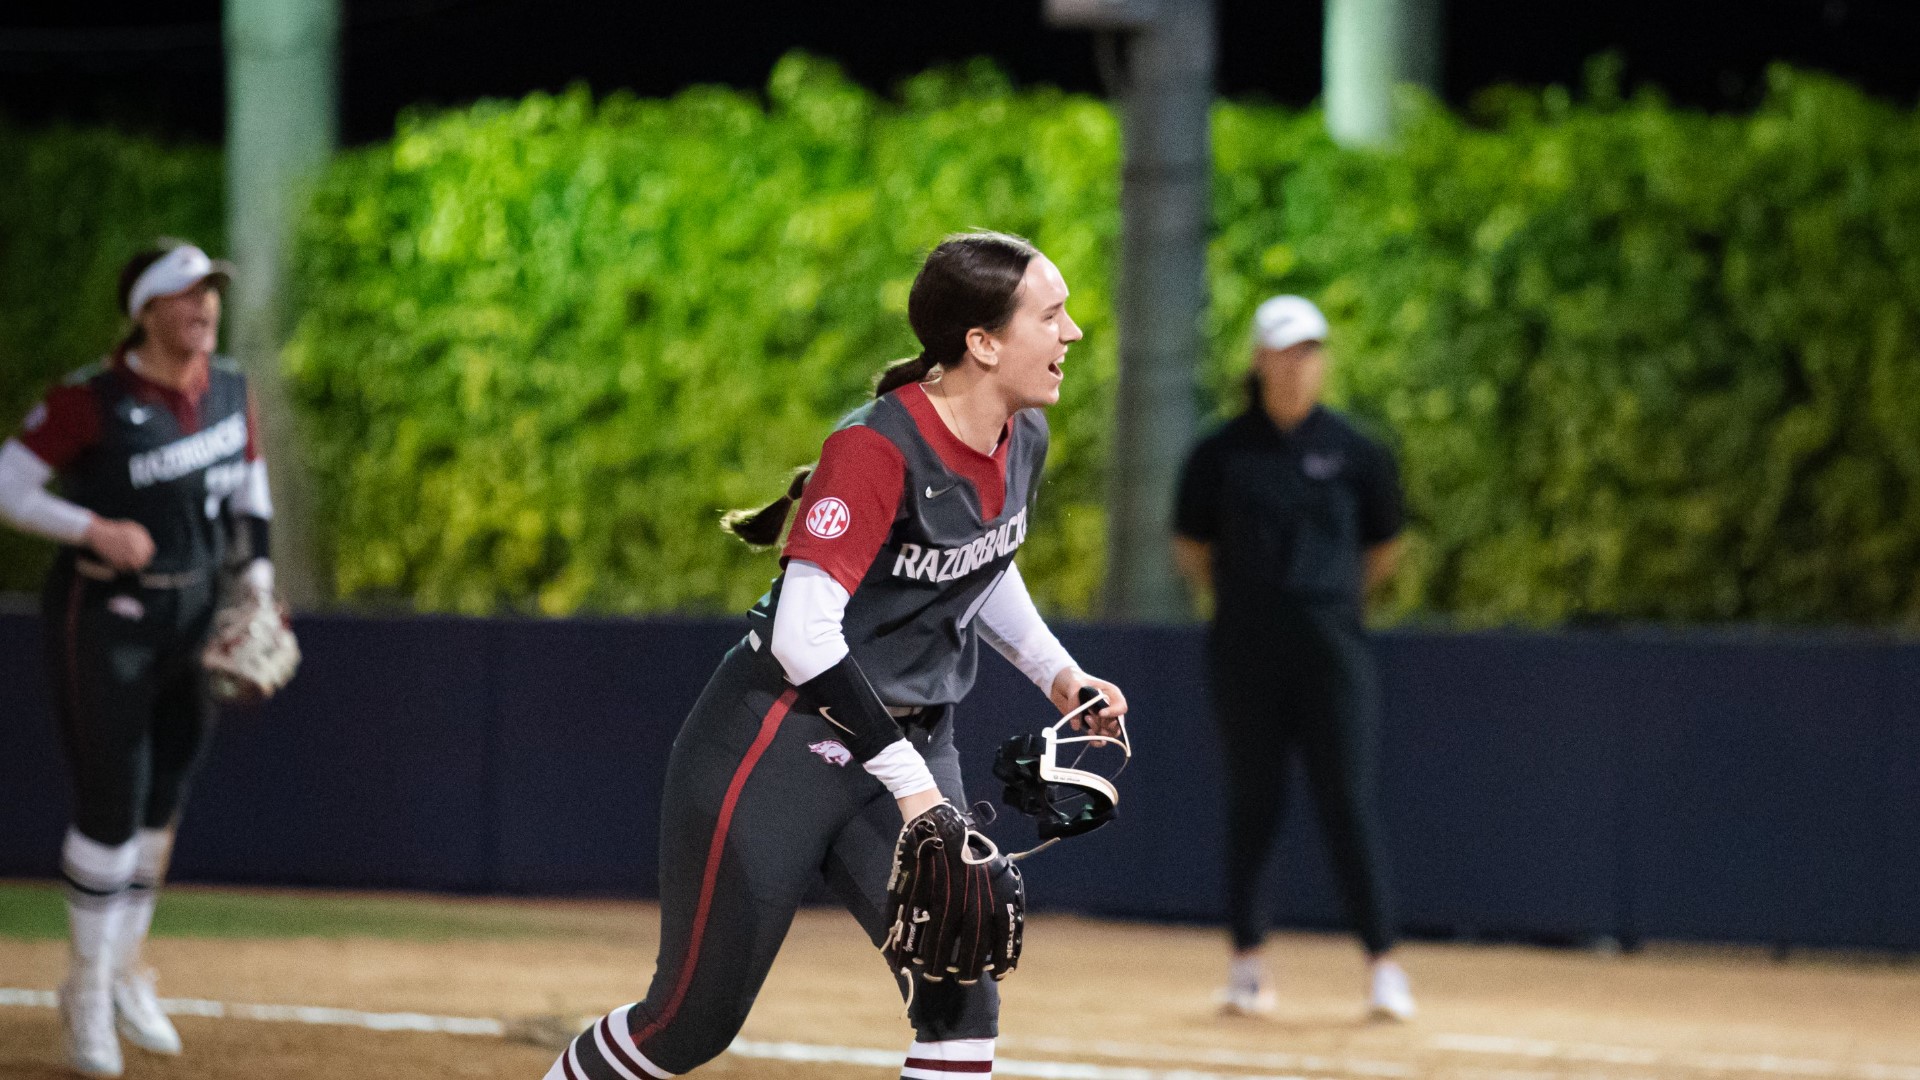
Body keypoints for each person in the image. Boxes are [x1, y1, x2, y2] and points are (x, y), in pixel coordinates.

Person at [541, 231, 1127, 1080]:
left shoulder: (1022, 434)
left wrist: (1058, 673)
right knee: (688, 1023)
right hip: (776, 744)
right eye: (1052, 313)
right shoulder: (875, 448)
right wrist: (917, 787)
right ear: (983, 342)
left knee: (961, 994)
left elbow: (983, 560)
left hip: (908, 744)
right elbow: (799, 635)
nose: (1072, 332)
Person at [0, 240, 281, 1077]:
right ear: (147, 311)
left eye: (211, 295)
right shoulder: (94, 399)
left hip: (194, 610)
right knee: (111, 802)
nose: (204, 308)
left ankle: (123, 970)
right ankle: (84, 988)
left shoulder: (228, 387)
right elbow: (8, 485)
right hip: (108, 613)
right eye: (186, 295)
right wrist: (92, 528)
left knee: (163, 804)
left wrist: (258, 579)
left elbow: (247, 488)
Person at [1171, 294, 1414, 1022]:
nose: (1297, 364)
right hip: (1245, 649)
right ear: (1258, 359)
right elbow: (1192, 546)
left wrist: (1326, 605)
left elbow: (1385, 546)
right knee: (1255, 802)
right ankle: (1247, 964)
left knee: (1348, 801)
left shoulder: (1358, 450)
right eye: (1284, 350)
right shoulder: (1219, 452)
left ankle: (1384, 968)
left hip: (1334, 651)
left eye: (1309, 350)